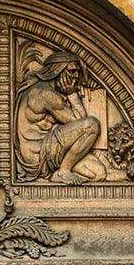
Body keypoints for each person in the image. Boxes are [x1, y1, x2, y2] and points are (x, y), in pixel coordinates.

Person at [15, 48, 110, 180]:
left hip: (49, 150)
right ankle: (63, 171)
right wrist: (72, 94)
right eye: (71, 71)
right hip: (39, 154)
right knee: (92, 125)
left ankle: (60, 171)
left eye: (77, 72)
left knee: (100, 173)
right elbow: (82, 123)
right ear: (57, 70)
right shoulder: (45, 93)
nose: (76, 77)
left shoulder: (43, 89)